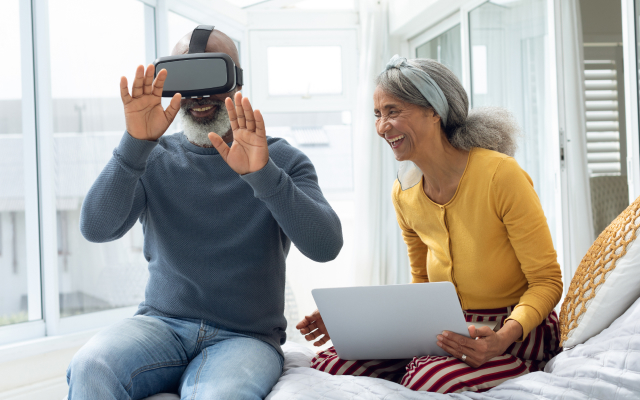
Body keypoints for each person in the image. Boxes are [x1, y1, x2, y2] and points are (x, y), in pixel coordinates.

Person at [66, 29, 343, 400]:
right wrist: (135, 145)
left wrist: (264, 176)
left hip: (245, 338)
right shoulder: (152, 157)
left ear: (236, 79)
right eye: (185, 77)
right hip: (159, 325)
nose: (199, 95)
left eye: (211, 75)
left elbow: (325, 246)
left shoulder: (281, 160)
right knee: (90, 366)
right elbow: (96, 229)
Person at [296, 55, 563, 394]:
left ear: (434, 111)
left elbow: (547, 281)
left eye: (394, 111)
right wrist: (355, 325)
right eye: (377, 115)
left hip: (513, 331)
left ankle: (508, 365)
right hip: (445, 327)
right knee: (330, 364)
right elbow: (421, 283)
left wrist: (502, 338)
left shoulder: (500, 175)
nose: (382, 127)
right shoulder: (404, 192)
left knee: (426, 377)